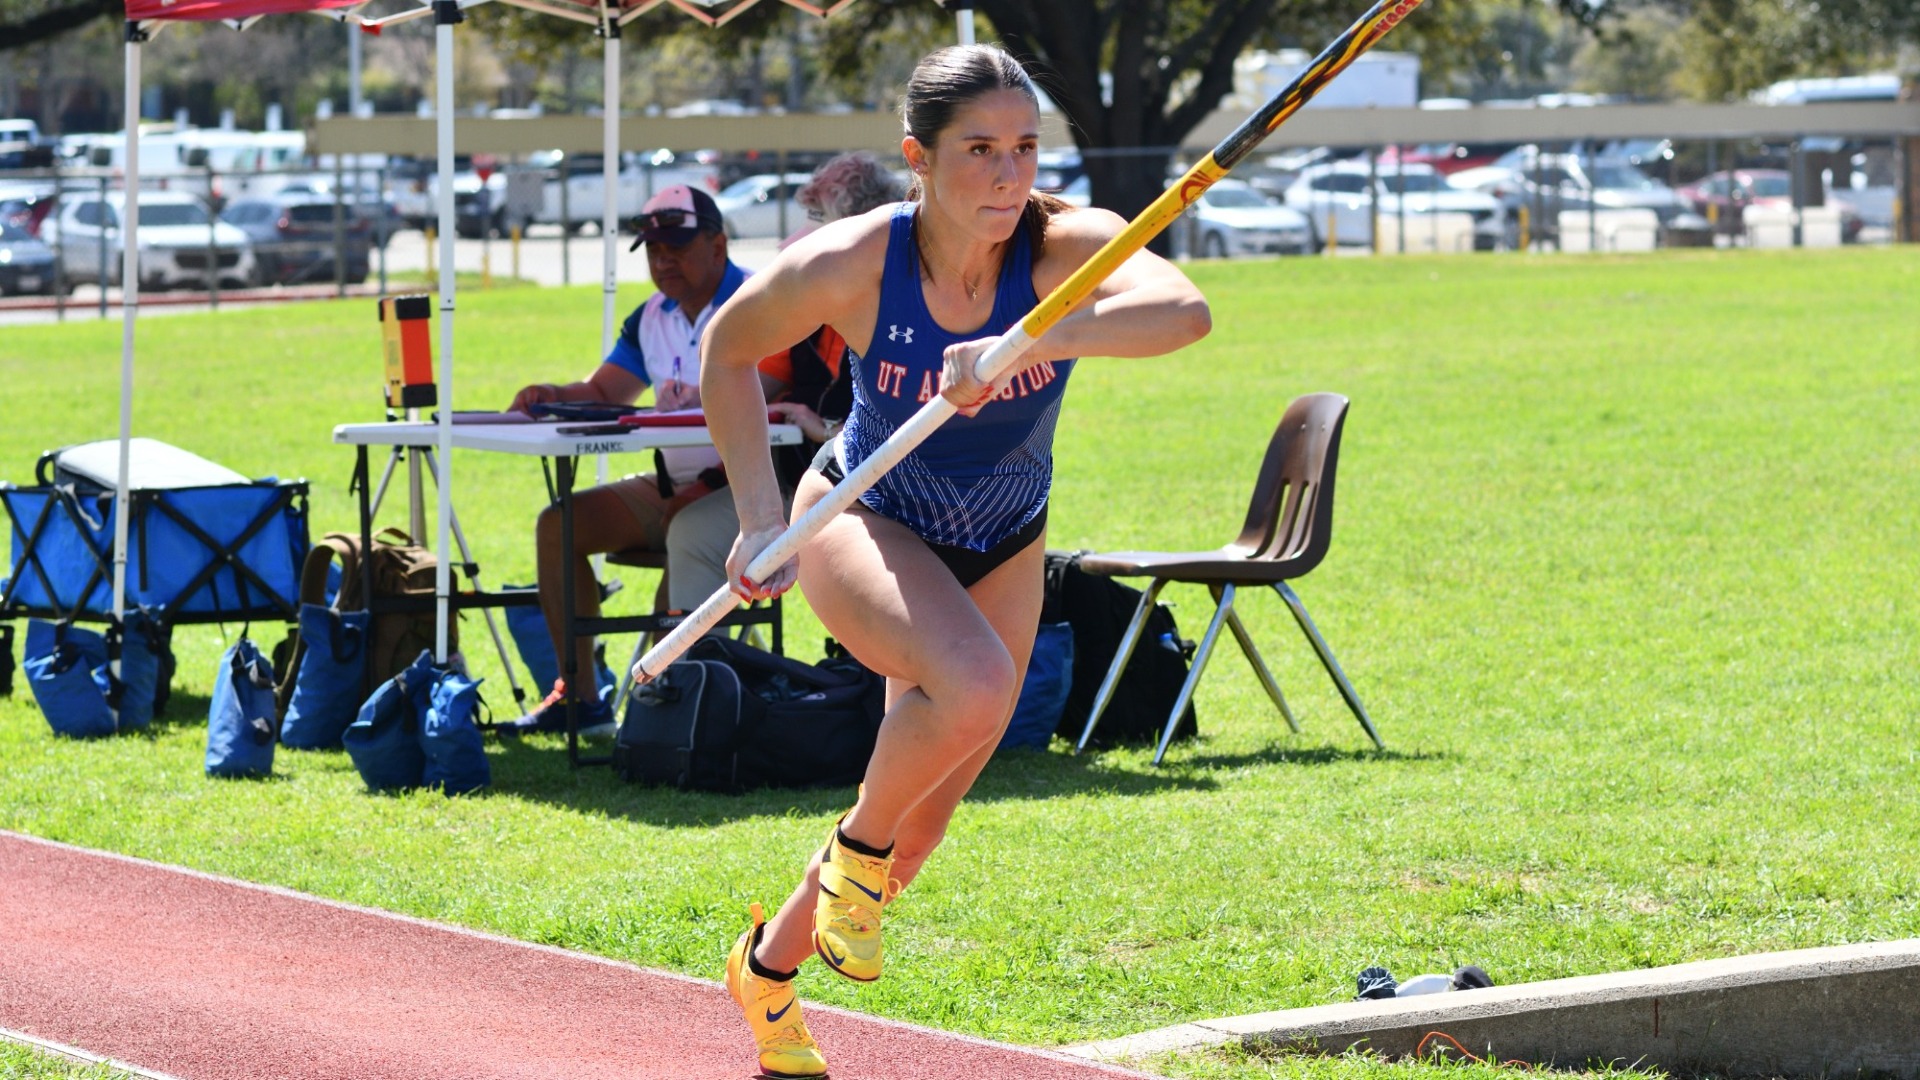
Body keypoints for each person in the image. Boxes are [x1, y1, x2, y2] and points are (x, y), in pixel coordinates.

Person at [692, 45, 1212, 1078]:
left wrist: (1027, 341)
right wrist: (757, 518)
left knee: (915, 836)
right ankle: (856, 861)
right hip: (864, 514)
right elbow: (725, 346)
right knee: (972, 687)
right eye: (978, 150)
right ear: (918, 159)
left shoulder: (1067, 246)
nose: (1007, 174)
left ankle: (766, 967)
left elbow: (1184, 313)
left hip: (1006, 532)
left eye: (1023, 148)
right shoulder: (855, 261)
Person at [502, 183, 746, 736]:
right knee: (559, 524)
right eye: (654, 251)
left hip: (745, 488)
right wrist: (552, 393)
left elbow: (773, 412)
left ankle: (660, 713)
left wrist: (705, 484)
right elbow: (606, 392)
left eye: (677, 248)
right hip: (671, 483)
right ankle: (580, 697)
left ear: (718, 246)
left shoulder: (755, 303)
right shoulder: (650, 316)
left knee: (688, 526)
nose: (664, 263)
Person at [661, 152, 907, 603]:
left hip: (887, 495)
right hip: (801, 483)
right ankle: (704, 674)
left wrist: (828, 430)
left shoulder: (905, 303)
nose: (803, 258)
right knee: (690, 530)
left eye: (818, 224)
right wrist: (692, 396)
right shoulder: (804, 306)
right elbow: (742, 371)